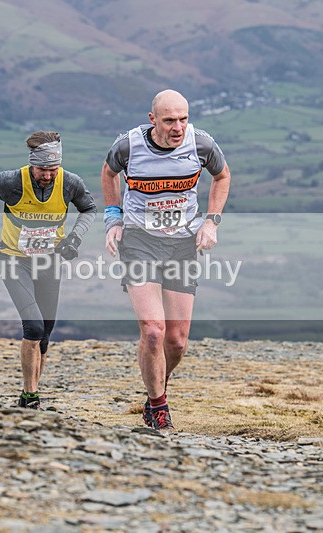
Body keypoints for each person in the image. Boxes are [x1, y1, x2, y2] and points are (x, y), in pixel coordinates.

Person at [101, 89, 231, 431]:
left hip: (181, 245)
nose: (178, 127)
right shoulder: (128, 146)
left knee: (177, 341)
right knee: (154, 332)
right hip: (139, 241)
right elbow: (108, 173)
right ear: (153, 119)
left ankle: (156, 387)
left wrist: (211, 221)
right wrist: (113, 220)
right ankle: (159, 408)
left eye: (184, 119)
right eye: (170, 120)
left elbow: (222, 176)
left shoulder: (201, 145)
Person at [0, 130, 97, 409]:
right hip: (14, 259)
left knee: (47, 330)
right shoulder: (11, 182)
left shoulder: (70, 183)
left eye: (54, 169)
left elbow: (89, 209)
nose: (48, 176)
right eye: (43, 169)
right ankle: (30, 395)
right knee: (34, 326)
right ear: (32, 164)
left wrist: (74, 237)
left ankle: (32, 392)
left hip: (49, 261)